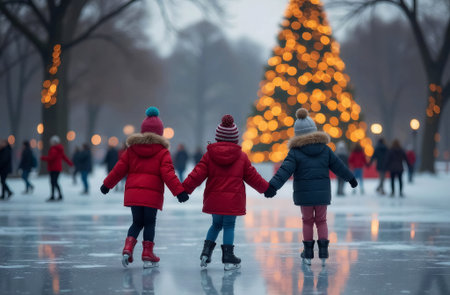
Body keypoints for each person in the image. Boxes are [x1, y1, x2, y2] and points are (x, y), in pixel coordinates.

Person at [264, 108, 357, 266]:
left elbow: (284, 171)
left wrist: (272, 186)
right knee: (321, 221)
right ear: (314, 130)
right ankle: (323, 251)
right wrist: (351, 178)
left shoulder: (295, 152)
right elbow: (339, 166)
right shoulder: (325, 150)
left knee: (307, 221)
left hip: (304, 196)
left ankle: (307, 252)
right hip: (322, 195)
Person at [100, 107, 188, 269]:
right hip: (151, 195)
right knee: (149, 223)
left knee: (136, 222)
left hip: (134, 194)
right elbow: (168, 174)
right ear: (160, 133)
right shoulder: (162, 152)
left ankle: (127, 249)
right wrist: (179, 192)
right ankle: (147, 253)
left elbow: (119, 169)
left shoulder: (131, 150)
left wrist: (107, 184)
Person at [182, 114, 269, 271]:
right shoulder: (241, 157)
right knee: (229, 226)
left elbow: (197, 174)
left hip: (214, 199)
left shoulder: (209, 155)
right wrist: (266, 189)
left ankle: (205, 253)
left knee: (215, 224)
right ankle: (228, 257)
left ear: (217, 138)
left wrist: (185, 189)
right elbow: (253, 177)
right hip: (233, 200)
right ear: (235, 139)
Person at [40, 135, 73, 201]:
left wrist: (43, 158)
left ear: (55, 142)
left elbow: (51, 158)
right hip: (57, 168)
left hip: (53, 168)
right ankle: (58, 195)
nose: (50, 143)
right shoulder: (60, 149)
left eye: (51, 141)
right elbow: (64, 157)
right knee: (54, 182)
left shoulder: (54, 149)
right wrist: (70, 163)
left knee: (53, 182)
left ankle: (54, 195)